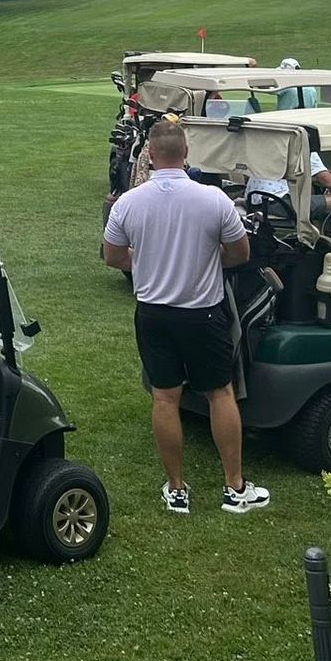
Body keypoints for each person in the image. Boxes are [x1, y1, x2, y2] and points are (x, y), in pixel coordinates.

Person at [102, 120, 270, 516]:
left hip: (154, 313)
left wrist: (143, 263)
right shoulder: (213, 200)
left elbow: (112, 257)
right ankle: (234, 486)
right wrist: (206, 260)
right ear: (186, 153)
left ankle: (176, 489)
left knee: (165, 397)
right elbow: (239, 253)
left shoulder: (129, 202)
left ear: (151, 156)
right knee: (220, 393)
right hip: (203, 312)